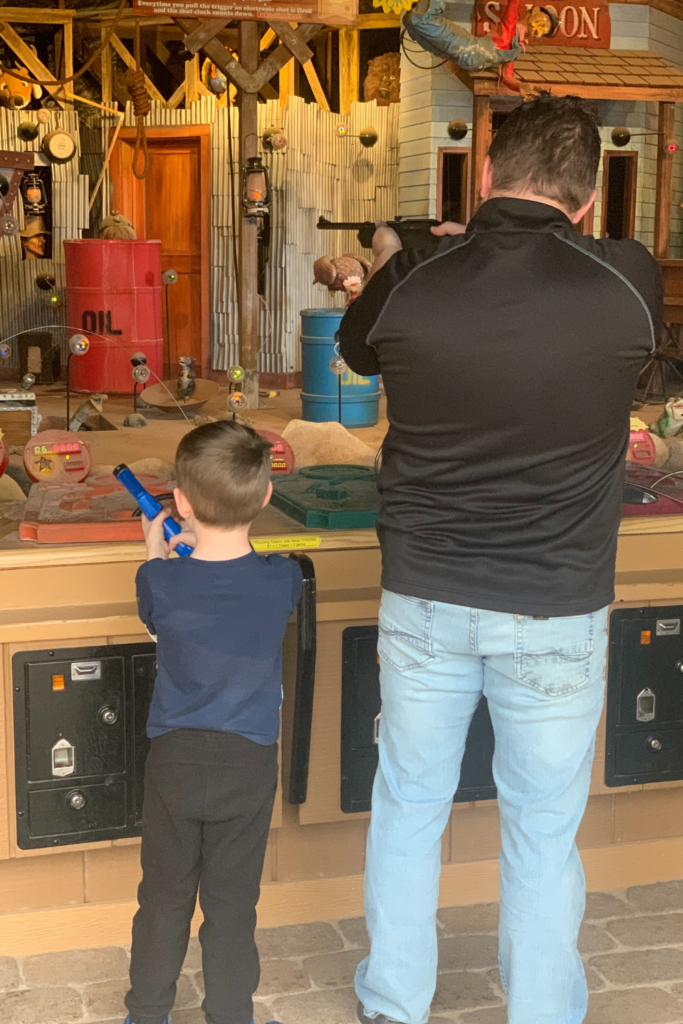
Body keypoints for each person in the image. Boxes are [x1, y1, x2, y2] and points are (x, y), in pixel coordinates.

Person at [339, 94, 662, 1024]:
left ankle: (393, 1005)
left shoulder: (419, 278)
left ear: (482, 175)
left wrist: (419, 254)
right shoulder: (624, 279)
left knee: (407, 809)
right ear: (589, 199)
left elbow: (359, 350)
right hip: (556, 605)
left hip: (426, 602)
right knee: (541, 829)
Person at [123, 420, 302, 1024]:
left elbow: (161, 620)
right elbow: (232, 593)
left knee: (163, 900)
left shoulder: (161, 581)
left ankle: (146, 1013)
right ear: (266, 497)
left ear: (180, 503)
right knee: (232, 907)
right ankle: (230, 1013)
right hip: (247, 764)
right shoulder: (282, 580)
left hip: (174, 759)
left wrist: (159, 549)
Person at [404, 0, 559, 90]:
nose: (543, 27)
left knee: (415, 23)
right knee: (415, 21)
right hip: (468, 47)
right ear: (536, 10)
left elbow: (507, 77)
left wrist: (520, 87)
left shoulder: (514, 50)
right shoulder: (511, 26)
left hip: (463, 57)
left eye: (546, 30)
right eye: (545, 20)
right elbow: (514, 3)